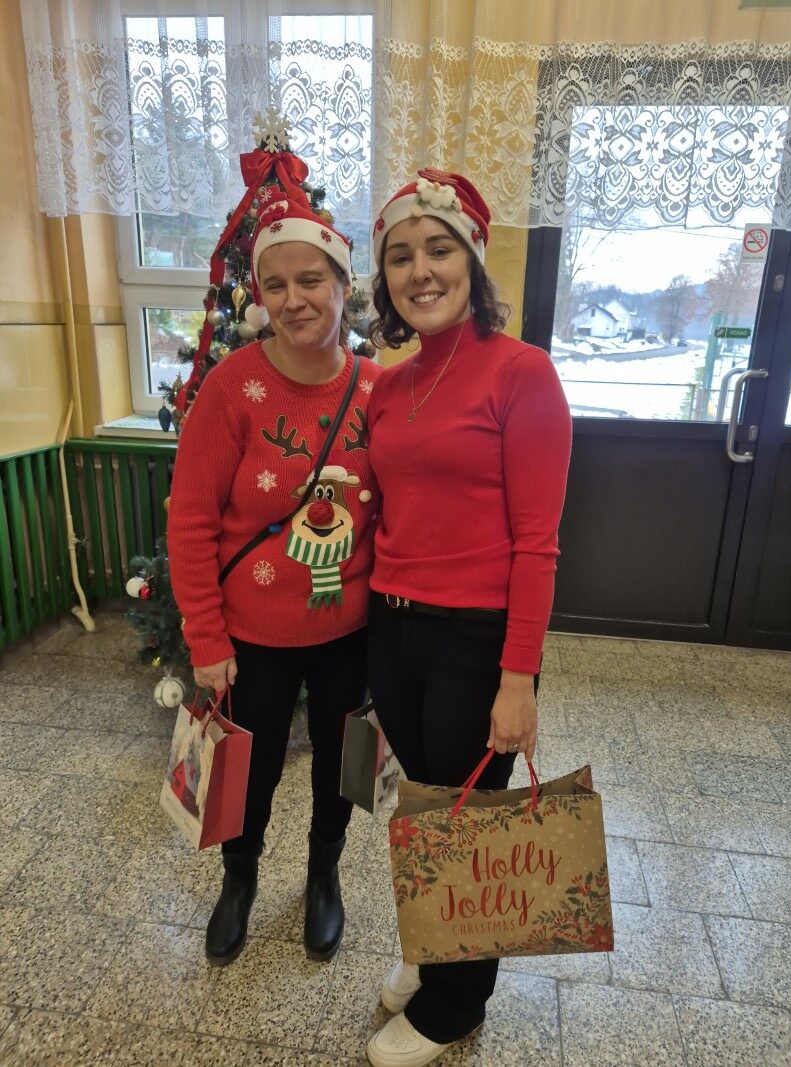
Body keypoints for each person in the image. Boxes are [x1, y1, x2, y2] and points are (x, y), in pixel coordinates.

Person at [364, 170, 572, 1066]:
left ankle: (456, 1004)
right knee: (426, 809)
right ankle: (433, 942)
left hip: (474, 640)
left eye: (439, 249)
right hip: (392, 627)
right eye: (401, 256)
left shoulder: (523, 373)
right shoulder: (387, 385)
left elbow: (538, 542)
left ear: (473, 260)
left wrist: (518, 678)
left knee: (470, 824)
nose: (421, 271)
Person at [167, 170, 380, 968]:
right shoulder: (232, 389)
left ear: (344, 286)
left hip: (349, 631)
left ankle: (325, 870)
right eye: (277, 284)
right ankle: (240, 875)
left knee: (341, 764)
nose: (295, 299)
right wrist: (205, 637)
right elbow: (190, 520)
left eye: (311, 280)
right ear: (259, 294)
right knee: (246, 772)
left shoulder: (377, 390)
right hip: (251, 635)